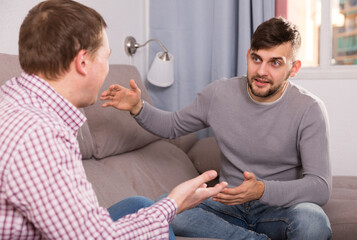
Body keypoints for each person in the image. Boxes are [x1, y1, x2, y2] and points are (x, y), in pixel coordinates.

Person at [0, 0, 228, 239]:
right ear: (83, 62)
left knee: (137, 205)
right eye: (106, 57)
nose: (108, 69)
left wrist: (138, 107)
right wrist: (174, 203)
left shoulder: (17, 100)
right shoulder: (38, 135)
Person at [100, 17, 332, 239]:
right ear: (248, 56)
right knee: (167, 206)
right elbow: (172, 126)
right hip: (227, 205)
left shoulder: (309, 109)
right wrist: (138, 107)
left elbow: (320, 186)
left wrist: (262, 189)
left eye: (275, 63)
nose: (262, 71)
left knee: (313, 222)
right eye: (257, 59)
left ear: (294, 68)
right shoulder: (219, 94)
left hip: (280, 209)